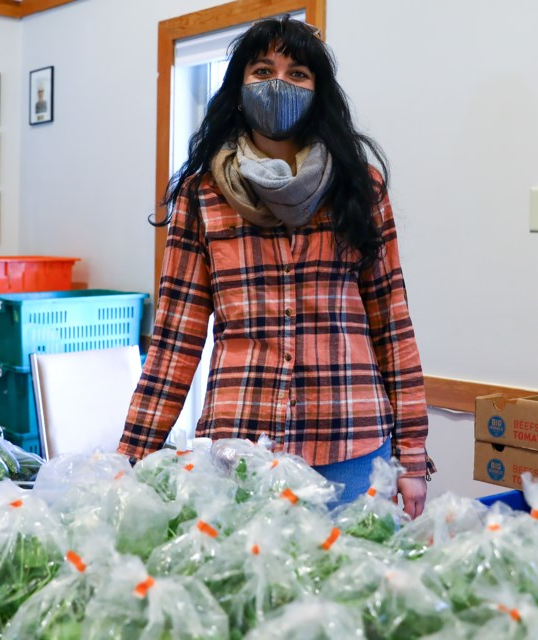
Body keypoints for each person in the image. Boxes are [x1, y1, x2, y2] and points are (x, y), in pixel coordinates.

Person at [116, 18, 432, 518]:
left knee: (348, 589)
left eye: (298, 73)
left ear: (318, 92)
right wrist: (131, 455)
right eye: (262, 70)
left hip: (350, 442)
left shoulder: (360, 189)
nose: (278, 84)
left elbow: (392, 325)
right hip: (242, 445)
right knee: (251, 593)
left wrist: (412, 456)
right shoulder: (204, 196)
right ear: (239, 90)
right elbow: (176, 338)